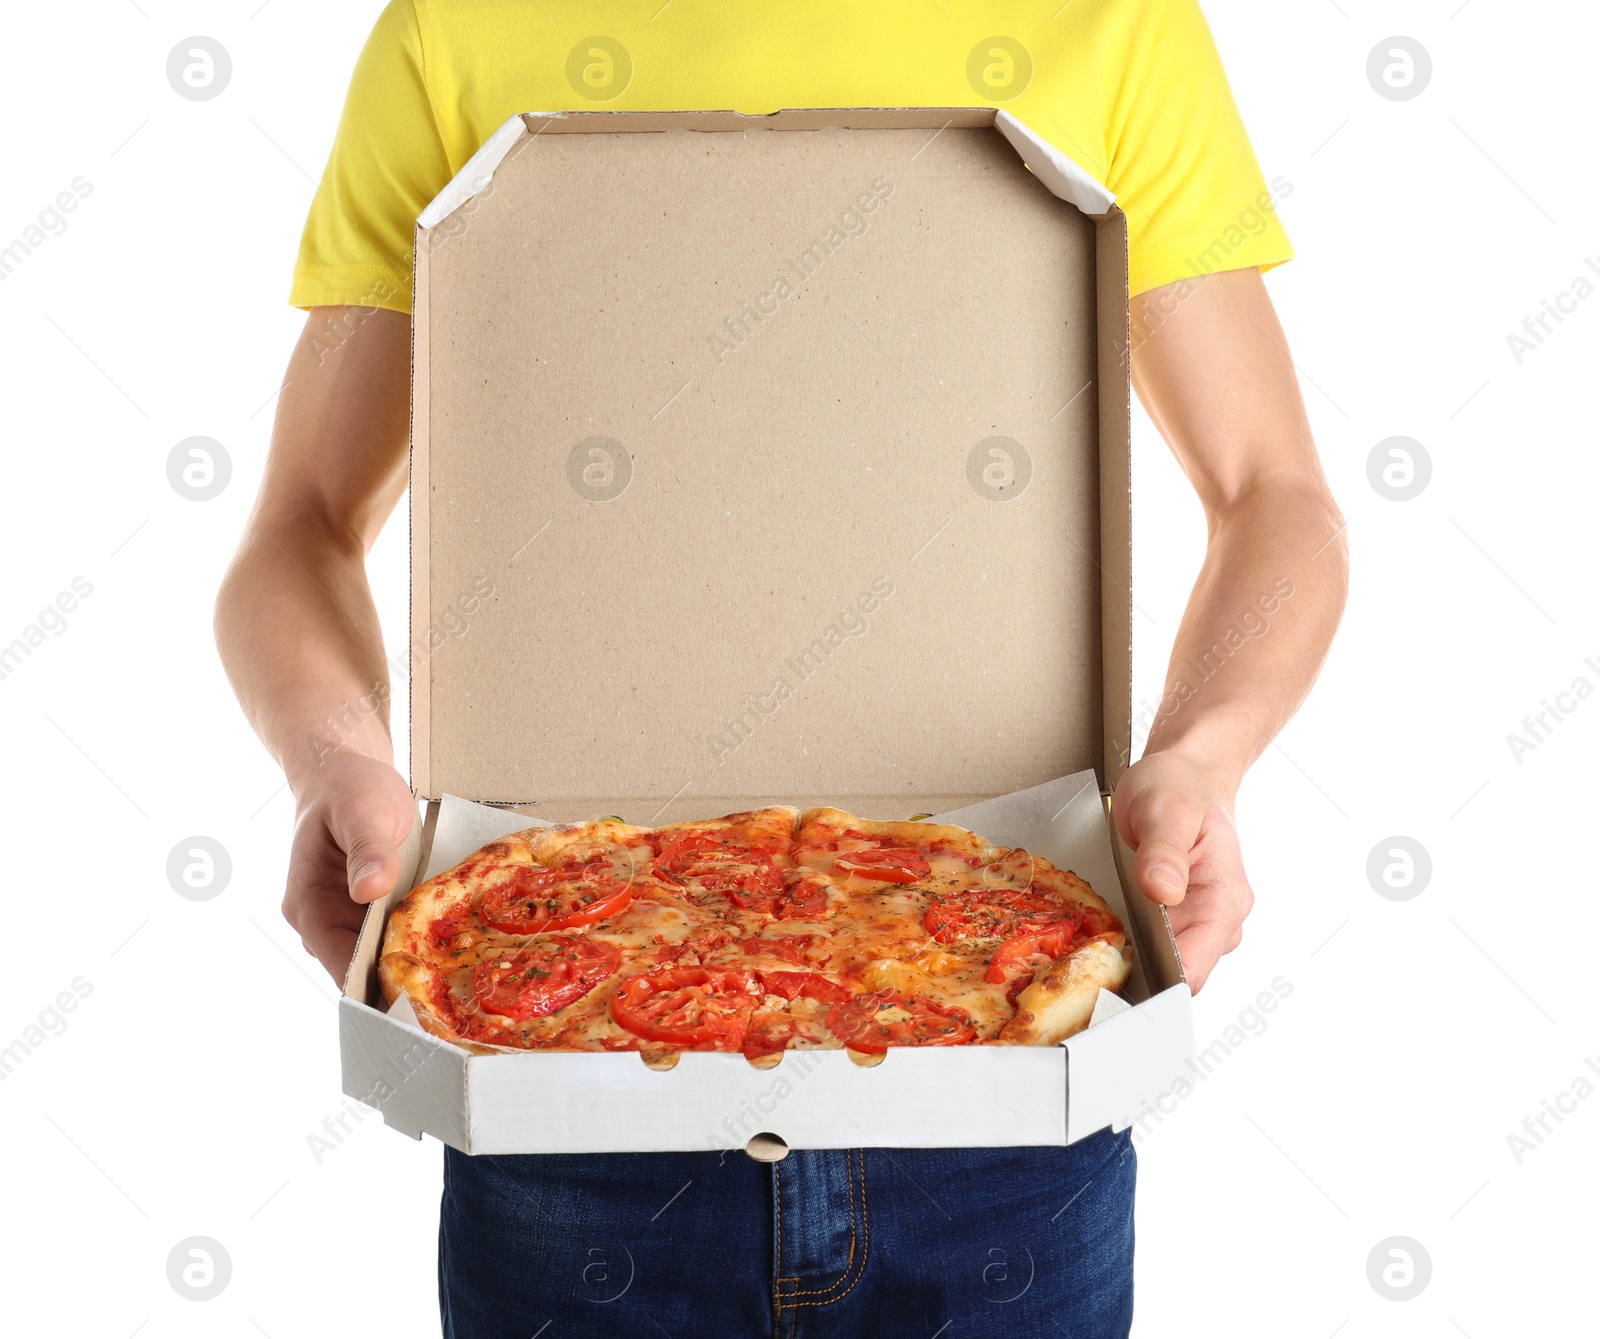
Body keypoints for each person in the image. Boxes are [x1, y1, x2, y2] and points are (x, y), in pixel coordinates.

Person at [215, 3, 1347, 1335]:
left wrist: (1202, 755)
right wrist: (331, 762)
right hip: (562, 1128)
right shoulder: (457, 29)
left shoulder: (1112, 19)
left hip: (1007, 1142)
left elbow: (1275, 498)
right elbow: (299, 524)